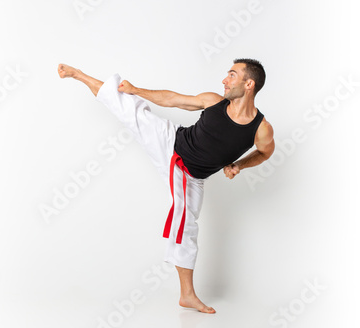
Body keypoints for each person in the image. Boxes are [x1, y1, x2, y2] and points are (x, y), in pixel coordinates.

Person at [57, 59, 275, 314]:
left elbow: (265, 152)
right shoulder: (214, 102)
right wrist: (136, 90)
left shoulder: (261, 128)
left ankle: (186, 295)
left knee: (187, 227)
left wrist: (239, 165)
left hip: (192, 177)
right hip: (170, 141)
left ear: (249, 84)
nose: (225, 80)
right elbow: (173, 99)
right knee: (130, 108)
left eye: (232, 75)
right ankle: (78, 74)